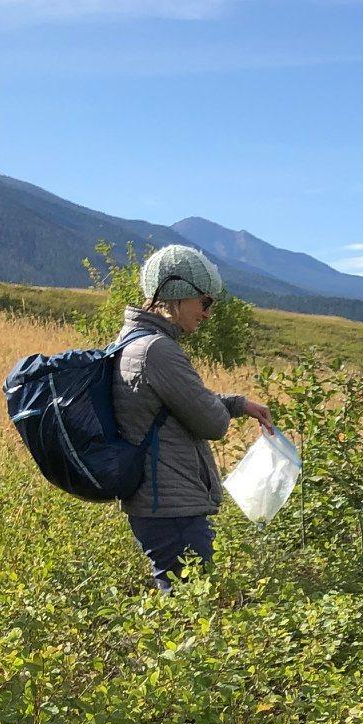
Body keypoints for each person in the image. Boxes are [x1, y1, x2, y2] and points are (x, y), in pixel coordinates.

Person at [113, 245, 275, 590]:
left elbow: (171, 404)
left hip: (159, 503)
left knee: (179, 603)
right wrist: (223, 409)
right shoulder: (158, 350)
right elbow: (211, 424)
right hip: (172, 508)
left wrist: (236, 403)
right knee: (188, 611)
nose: (207, 314)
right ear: (178, 295)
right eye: (205, 302)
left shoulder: (134, 341)